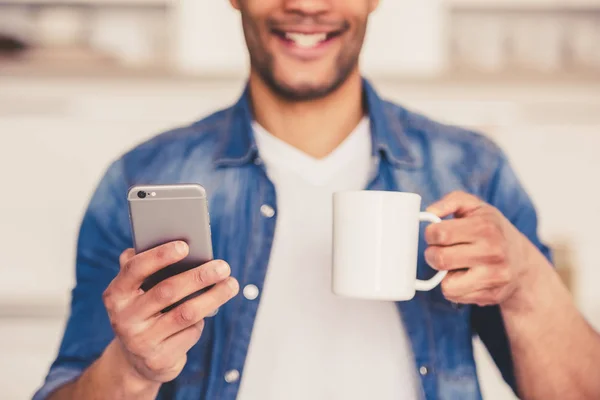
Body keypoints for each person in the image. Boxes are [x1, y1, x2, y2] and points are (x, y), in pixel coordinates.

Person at [35, 1, 600, 399]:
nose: (306, 4)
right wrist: (131, 371)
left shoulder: (474, 169)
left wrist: (526, 280)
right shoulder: (141, 176)